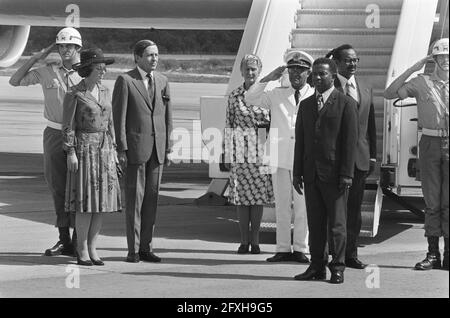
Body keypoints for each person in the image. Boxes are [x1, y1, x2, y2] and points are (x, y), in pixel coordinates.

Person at [9, 27, 82, 257]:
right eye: (61, 46)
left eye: (69, 46)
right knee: (58, 187)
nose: (65, 50)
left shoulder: (87, 72)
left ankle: (80, 240)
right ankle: (64, 240)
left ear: (78, 47)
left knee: (80, 188)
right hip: (54, 134)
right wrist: (35, 58)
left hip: (80, 135)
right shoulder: (46, 71)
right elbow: (14, 80)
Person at [384, 38, 449, 271]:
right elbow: (389, 93)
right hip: (430, 142)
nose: (446, 60)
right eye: (441, 57)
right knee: (432, 202)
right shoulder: (421, 82)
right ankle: (433, 254)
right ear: (434, 60)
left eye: (449, 56)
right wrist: (413, 68)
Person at [293, 58, 358, 284]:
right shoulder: (306, 104)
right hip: (311, 174)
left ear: (332, 76)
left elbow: (350, 143)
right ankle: (317, 266)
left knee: (337, 225)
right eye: (315, 74)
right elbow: (300, 140)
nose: (317, 78)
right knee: (316, 223)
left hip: (336, 176)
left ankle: (337, 267)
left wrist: (347, 174)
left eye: (322, 74)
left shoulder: (346, 104)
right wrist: (296, 171)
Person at [245, 50, 314, 263]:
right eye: (292, 69)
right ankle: (283, 248)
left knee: (303, 208)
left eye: (301, 70)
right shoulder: (276, 94)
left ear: (308, 72)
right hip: (280, 159)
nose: (296, 74)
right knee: (282, 206)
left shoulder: (314, 94)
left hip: (304, 160)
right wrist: (267, 79)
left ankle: (301, 248)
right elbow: (250, 98)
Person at [112, 40, 173, 263]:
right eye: (149, 55)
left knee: (152, 200)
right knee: (134, 202)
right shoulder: (126, 80)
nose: (154, 59)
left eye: (156, 55)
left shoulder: (163, 81)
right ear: (137, 57)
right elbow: (118, 118)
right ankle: (133, 250)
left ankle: (146, 247)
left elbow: (167, 116)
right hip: (135, 150)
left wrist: (167, 146)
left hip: (157, 150)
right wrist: (121, 148)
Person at [62, 48, 121, 266]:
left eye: (104, 67)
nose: (103, 71)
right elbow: (68, 125)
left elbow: (111, 122)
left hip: (104, 150)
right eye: (99, 68)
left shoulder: (105, 91)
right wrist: (70, 152)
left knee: (100, 204)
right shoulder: (74, 94)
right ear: (88, 69)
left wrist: (114, 149)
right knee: (85, 203)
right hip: (84, 150)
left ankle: (94, 247)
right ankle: (82, 249)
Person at [327, 44, 377, 269]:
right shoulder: (328, 84)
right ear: (336, 62)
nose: (353, 64)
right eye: (348, 60)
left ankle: (351, 254)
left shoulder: (365, 87)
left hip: (360, 159)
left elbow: (371, 126)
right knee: (335, 210)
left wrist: (373, 156)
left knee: (354, 211)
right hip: (335, 159)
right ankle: (333, 255)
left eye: (356, 60)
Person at [223, 54, 274, 254]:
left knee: (258, 199)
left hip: (262, 150)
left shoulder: (267, 94)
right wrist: (227, 153)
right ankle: (244, 241)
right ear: (241, 71)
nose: (250, 73)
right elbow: (229, 124)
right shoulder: (235, 96)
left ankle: (256, 240)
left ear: (259, 71)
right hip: (241, 152)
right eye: (247, 69)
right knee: (243, 199)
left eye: (254, 69)